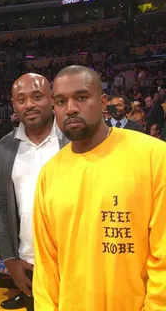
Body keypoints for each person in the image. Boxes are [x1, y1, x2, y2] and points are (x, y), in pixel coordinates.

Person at [33, 65, 166, 310]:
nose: (71, 108)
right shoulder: (49, 174)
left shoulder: (154, 157)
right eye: (61, 101)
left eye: (81, 97)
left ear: (103, 101)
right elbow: (46, 266)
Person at [0, 73, 69, 311]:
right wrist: (8, 258)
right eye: (21, 99)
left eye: (37, 96)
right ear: (14, 105)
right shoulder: (5, 147)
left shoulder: (72, 140)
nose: (29, 105)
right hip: (29, 263)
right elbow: (0, 202)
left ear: (52, 99)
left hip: (76, 262)